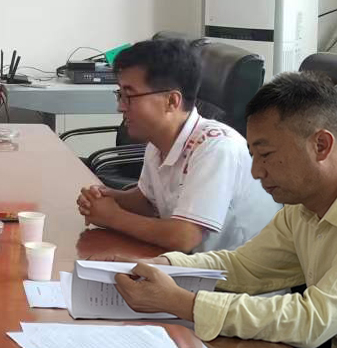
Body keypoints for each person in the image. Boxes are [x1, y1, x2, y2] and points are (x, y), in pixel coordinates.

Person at [112, 72, 337, 347]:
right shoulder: (304, 206)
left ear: (321, 145)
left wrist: (184, 303)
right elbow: (242, 267)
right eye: (253, 156)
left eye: (266, 155)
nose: (256, 172)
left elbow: (313, 319)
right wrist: (165, 265)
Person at [75, 38, 279, 253]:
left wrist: (113, 217)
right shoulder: (158, 142)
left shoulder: (216, 148)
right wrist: (107, 197)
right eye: (120, 95)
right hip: (194, 263)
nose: (120, 107)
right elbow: (149, 202)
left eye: (129, 96)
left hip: (237, 272)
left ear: (171, 101)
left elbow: (184, 237)